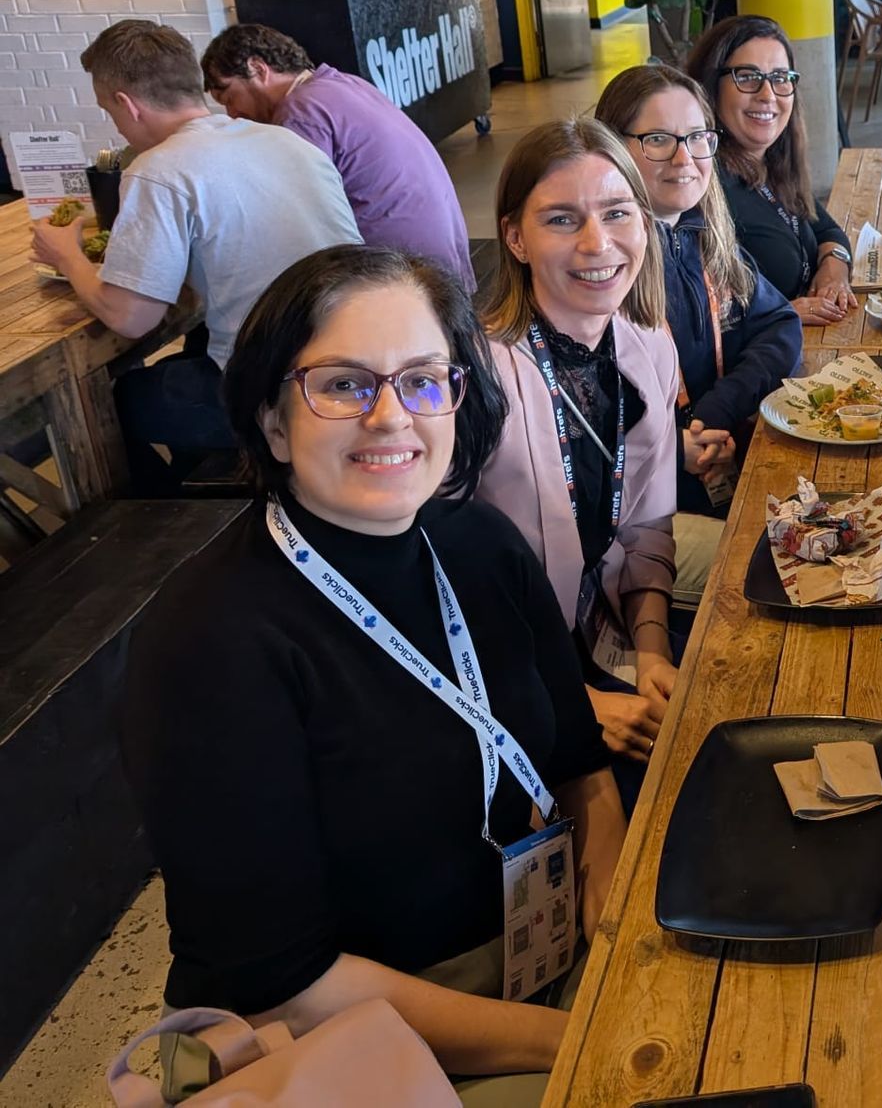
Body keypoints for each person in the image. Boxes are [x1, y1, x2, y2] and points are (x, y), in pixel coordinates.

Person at [120, 246, 625, 1103]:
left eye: (425, 378)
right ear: (273, 420)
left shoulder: (483, 547)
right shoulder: (209, 644)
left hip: (546, 947)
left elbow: (580, 766)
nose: (393, 415)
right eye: (346, 384)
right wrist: (582, 1034)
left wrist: (614, 933)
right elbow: (284, 980)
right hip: (363, 1043)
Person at [28, 20, 359, 491]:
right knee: (191, 355)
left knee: (122, 398)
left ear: (127, 104)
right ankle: (217, 480)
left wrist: (68, 258)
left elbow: (132, 317)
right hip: (353, 357)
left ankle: (158, 524)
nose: (116, 125)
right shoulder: (285, 140)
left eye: (110, 111)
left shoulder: (159, 169)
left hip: (283, 391)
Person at [474, 118, 680, 785]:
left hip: (606, 628)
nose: (598, 244)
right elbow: (451, 592)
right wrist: (581, 703)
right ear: (515, 238)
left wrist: (653, 653)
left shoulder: (647, 345)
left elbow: (647, 525)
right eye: (562, 220)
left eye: (617, 213)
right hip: (507, 674)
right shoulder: (475, 377)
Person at [594, 64, 803, 621]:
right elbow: (571, 455)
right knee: (796, 570)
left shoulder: (697, 231)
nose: (684, 159)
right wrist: (672, 452)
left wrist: (712, 414)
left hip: (705, 463)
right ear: (612, 148)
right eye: (658, 140)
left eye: (695, 138)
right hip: (624, 526)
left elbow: (781, 325)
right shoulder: (602, 265)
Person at [201, 23, 475, 288]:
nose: (232, 114)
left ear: (258, 69)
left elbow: (299, 221)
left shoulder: (300, 112)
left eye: (228, 98)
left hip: (405, 275)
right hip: (445, 258)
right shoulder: (343, 83)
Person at [683, 15, 856, 327]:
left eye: (780, 78)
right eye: (748, 77)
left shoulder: (772, 164)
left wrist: (834, 266)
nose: (768, 95)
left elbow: (826, 230)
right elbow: (694, 315)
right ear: (711, 86)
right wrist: (777, 314)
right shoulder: (702, 182)